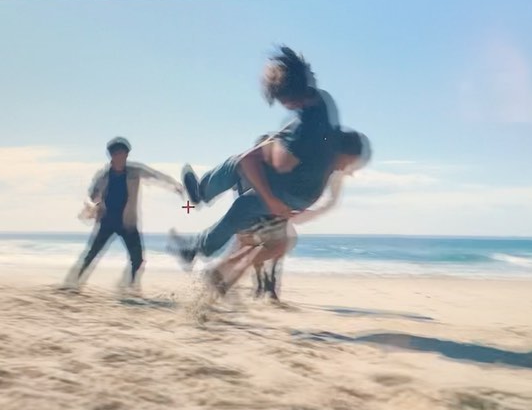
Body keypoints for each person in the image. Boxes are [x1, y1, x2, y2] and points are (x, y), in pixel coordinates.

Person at [169, 45, 340, 267]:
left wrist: (272, 201)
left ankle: (201, 192)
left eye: (281, 100)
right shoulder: (322, 101)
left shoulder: (302, 133)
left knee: (237, 165)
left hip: (293, 189)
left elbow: (248, 162)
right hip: (311, 189)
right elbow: (304, 135)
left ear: (289, 99)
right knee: (243, 207)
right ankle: (196, 249)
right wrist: (278, 139)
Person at [206, 129, 371, 302]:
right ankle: (236, 281)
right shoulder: (275, 166)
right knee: (268, 247)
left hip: (257, 216)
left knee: (256, 249)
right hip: (262, 215)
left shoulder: (263, 166)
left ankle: (230, 284)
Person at [65, 137, 183, 292]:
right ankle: (73, 283)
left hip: (128, 223)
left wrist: (175, 185)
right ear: (112, 155)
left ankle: (129, 287)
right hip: (107, 221)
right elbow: (92, 195)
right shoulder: (103, 176)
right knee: (92, 254)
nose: (121, 157)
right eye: (118, 154)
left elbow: (155, 176)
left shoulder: (135, 171)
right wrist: (92, 204)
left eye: (124, 154)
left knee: (138, 259)